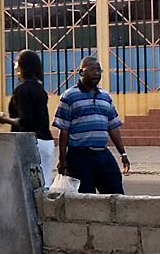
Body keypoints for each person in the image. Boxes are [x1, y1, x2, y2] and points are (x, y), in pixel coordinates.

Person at [53, 56, 130, 194]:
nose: (96, 73)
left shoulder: (105, 97)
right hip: (79, 156)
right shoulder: (69, 96)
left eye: (99, 70)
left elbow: (113, 127)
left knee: (116, 192)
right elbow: (63, 130)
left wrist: (122, 153)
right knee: (86, 197)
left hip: (102, 153)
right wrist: (62, 159)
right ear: (81, 72)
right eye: (92, 69)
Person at [0, 50, 56, 188]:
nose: (15, 67)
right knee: (45, 183)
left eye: (17, 64)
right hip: (46, 142)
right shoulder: (39, 88)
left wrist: (5, 119)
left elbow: (25, 122)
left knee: (27, 187)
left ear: (23, 67)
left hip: (31, 143)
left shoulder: (22, 90)